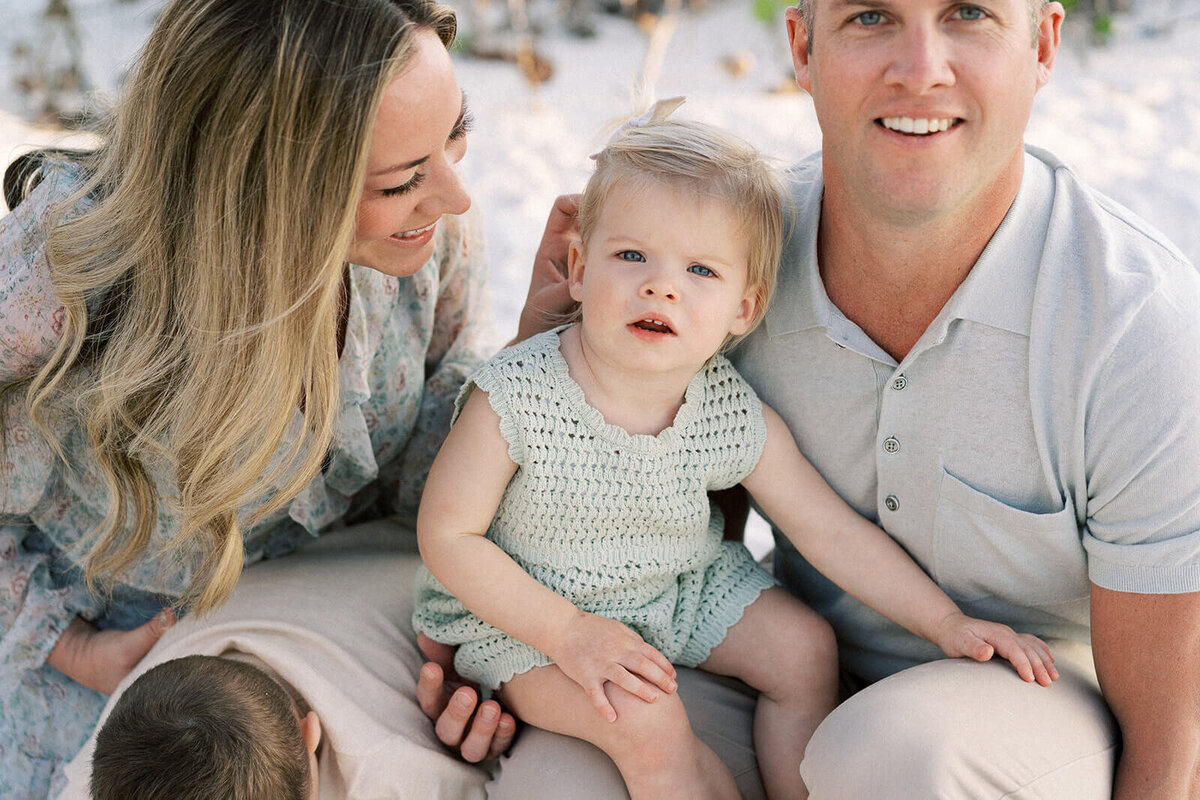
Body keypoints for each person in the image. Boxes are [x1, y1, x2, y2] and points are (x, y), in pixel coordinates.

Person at [420, 1, 1200, 798]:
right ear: (802, 44)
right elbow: (643, 492)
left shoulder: (1136, 324)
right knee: (564, 781)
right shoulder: (726, 244)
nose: (922, 67)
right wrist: (515, 643)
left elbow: (1173, 738)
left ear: (1044, 44)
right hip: (780, 662)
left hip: (1027, 698)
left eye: (969, 13)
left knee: (889, 755)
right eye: (870, 16)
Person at [0, 0, 579, 796]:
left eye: (456, 134)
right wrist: (65, 645)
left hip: (326, 636)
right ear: (260, 185)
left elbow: (419, 491)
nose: (454, 196)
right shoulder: (66, 278)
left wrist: (536, 358)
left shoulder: (424, 240)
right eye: (403, 178)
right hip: (118, 683)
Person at [54, 522, 494, 800]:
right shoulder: (149, 698)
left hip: (444, 577)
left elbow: (480, 783)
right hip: (354, 561)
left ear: (311, 734)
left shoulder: (388, 770)